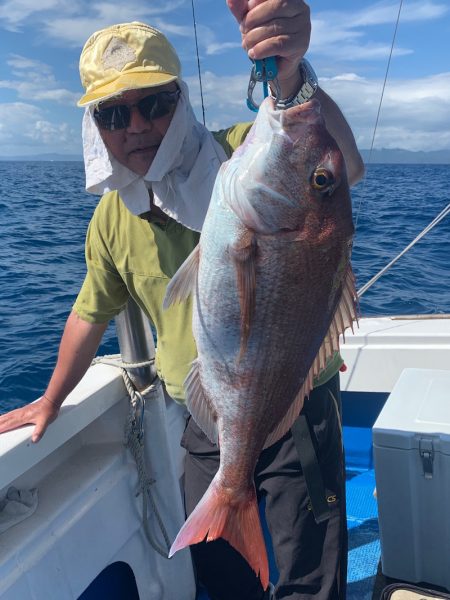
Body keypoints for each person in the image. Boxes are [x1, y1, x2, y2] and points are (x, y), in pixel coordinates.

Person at [0, 1, 364, 599]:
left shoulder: (246, 154)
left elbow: (338, 163)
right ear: (95, 125)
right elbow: (90, 312)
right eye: (114, 113)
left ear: (182, 101)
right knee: (220, 576)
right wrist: (51, 398)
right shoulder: (111, 220)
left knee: (309, 574)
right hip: (205, 421)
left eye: (155, 104)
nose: (136, 125)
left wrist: (293, 75)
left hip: (293, 405)